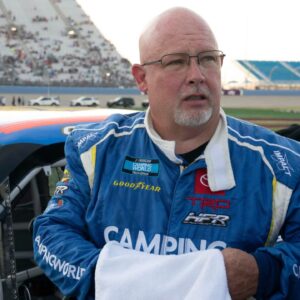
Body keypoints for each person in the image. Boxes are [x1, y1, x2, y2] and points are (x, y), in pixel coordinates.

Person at [33, 7, 300, 300]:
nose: (197, 75)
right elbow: (51, 233)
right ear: (141, 79)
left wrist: (263, 272)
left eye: (208, 59)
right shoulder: (96, 148)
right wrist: (110, 278)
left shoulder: (283, 163)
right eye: (177, 62)